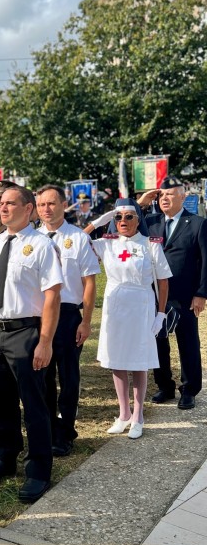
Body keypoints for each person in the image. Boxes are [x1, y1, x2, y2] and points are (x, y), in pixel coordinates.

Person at [0, 186, 63, 503]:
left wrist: (45, 341)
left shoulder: (41, 246)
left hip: (26, 332)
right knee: (1, 401)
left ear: (29, 209)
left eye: (10, 203)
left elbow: (52, 296)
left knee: (35, 404)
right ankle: (6, 456)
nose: (2, 207)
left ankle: (38, 470)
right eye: (1, 203)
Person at [89, 199, 171, 438]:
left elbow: (163, 281)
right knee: (117, 359)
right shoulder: (107, 243)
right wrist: (98, 221)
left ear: (138, 220)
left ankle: (138, 415)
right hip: (115, 304)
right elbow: (74, 244)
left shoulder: (150, 245)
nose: (122, 222)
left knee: (138, 360)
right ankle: (123, 413)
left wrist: (161, 313)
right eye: (118, 218)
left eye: (128, 217)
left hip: (141, 304)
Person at [36, 184, 100, 457]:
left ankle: (66, 432)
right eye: (41, 205)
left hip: (68, 316)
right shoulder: (32, 239)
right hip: (39, 317)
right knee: (43, 376)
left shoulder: (78, 238)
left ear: (63, 205)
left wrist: (86, 321)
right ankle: (49, 427)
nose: (46, 210)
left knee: (68, 376)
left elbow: (89, 283)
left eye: (51, 204)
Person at [138, 176, 207, 410]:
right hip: (155, 296)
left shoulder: (197, 224)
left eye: (169, 194)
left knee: (188, 343)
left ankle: (189, 390)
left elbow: (206, 261)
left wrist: (201, 293)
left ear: (183, 197)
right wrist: (141, 203)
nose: (164, 198)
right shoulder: (151, 221)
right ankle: (164, 386)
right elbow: (119, 224)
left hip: (185, 296)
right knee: (158, 341)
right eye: (161, 195)